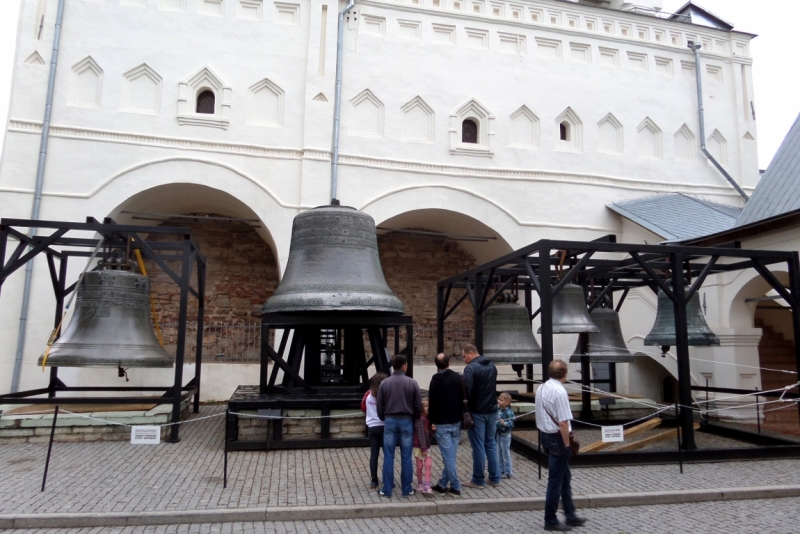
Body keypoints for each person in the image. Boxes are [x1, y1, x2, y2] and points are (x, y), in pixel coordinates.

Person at [535, 359, 587, 532]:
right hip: (558, 439)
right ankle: (550, 520)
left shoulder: (541, 388)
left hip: (545, 436)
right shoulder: (560, 392)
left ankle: (570, 514)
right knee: (555, 482)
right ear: (565, 374)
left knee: (564, 478)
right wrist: (566, 445)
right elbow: (563, 422)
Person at [376, 354, 422, 498]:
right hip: (407, 421)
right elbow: (418, 405)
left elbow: (380, 405)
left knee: (388, 456)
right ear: (404, 366)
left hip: (389, 420)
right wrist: (414, 418)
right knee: (406, 456)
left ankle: (387, 489)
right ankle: (407, 488)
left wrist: (384, 417)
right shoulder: (412, 383)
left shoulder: (384, 383)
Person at [462, 343, 501, 489]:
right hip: (492, 409)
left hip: (477, 411)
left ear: (471, 353)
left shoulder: (470, 368)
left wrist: (466, 409)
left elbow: (468, 391)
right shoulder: (492, 366)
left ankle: (478, 479)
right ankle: (495, 477)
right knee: (490, 443)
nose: (464, 359)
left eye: (464, 356)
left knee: (478, 446)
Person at [428, 352, 464, 497]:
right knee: (450, 456)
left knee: (448, 457)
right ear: (449, 362)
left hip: (442, 423)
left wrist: (431, 421)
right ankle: (443, 483)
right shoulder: (458, 378)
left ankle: (455, 486)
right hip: (456, 421)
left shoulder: (435, 380)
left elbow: (432, 403)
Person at [361, 372, 388, 489]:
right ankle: (388, 478)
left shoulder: (368, 394)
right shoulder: (386, 395)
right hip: (384, 426)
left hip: (372, 427)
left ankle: (374, 480)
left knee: (374, 454)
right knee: (387, 454)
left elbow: (363, 407)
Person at [413, 398, 433, 495]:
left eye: (428, 406)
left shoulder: (429, 418)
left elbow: (428, 434)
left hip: (427, 446)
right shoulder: (420, 419)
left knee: (428, 465)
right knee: (420, 466)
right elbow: (420, 434)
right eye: (425, 406)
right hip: (419, 446)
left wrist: (433, 430)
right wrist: (423, 448)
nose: (427, 408)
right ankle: (420, 483)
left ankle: (427, 485)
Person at [496, 391, 515, 479]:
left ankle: (508, 472)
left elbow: (511, 424)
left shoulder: (509, 412)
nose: (499, 401)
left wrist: (504, 424)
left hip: (505, 435)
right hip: (499, 434)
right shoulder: (498, 410)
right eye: (499, 399)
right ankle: (501, 470)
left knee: (505, 453)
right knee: (499, 453)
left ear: (507, 403)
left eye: (501, 400)